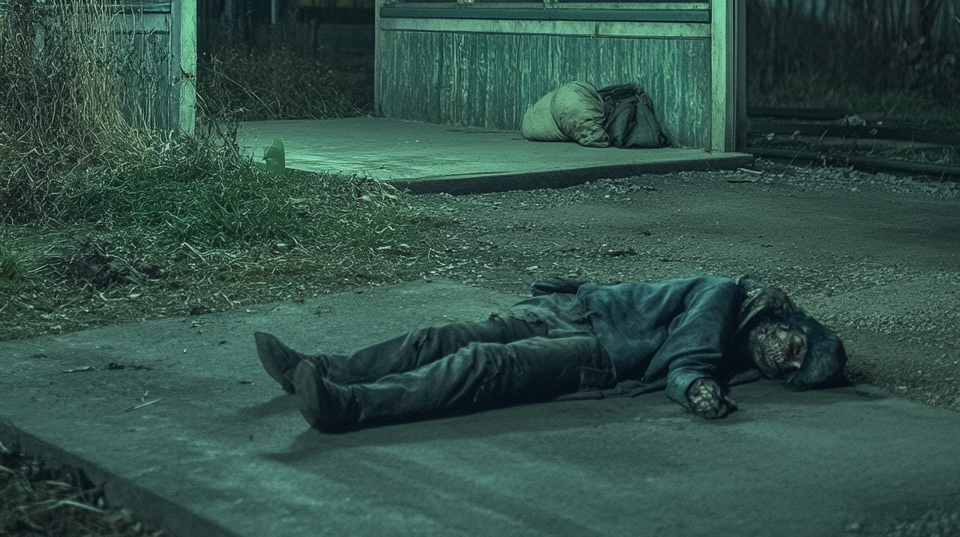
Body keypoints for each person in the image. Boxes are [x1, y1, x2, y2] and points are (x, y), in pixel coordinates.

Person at [254, 273, 847, 433]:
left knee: (484, 364)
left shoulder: (739, 355)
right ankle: (316, 368)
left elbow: (690, 358)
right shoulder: (727, 296)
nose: (785, 362)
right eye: (795, 347)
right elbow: (690, 351)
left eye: (793, 371)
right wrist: (691, 384)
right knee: (443, 338)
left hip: (595, 343)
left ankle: (345, 403)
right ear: (785, 319)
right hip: (588, 324)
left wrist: (698, 382)